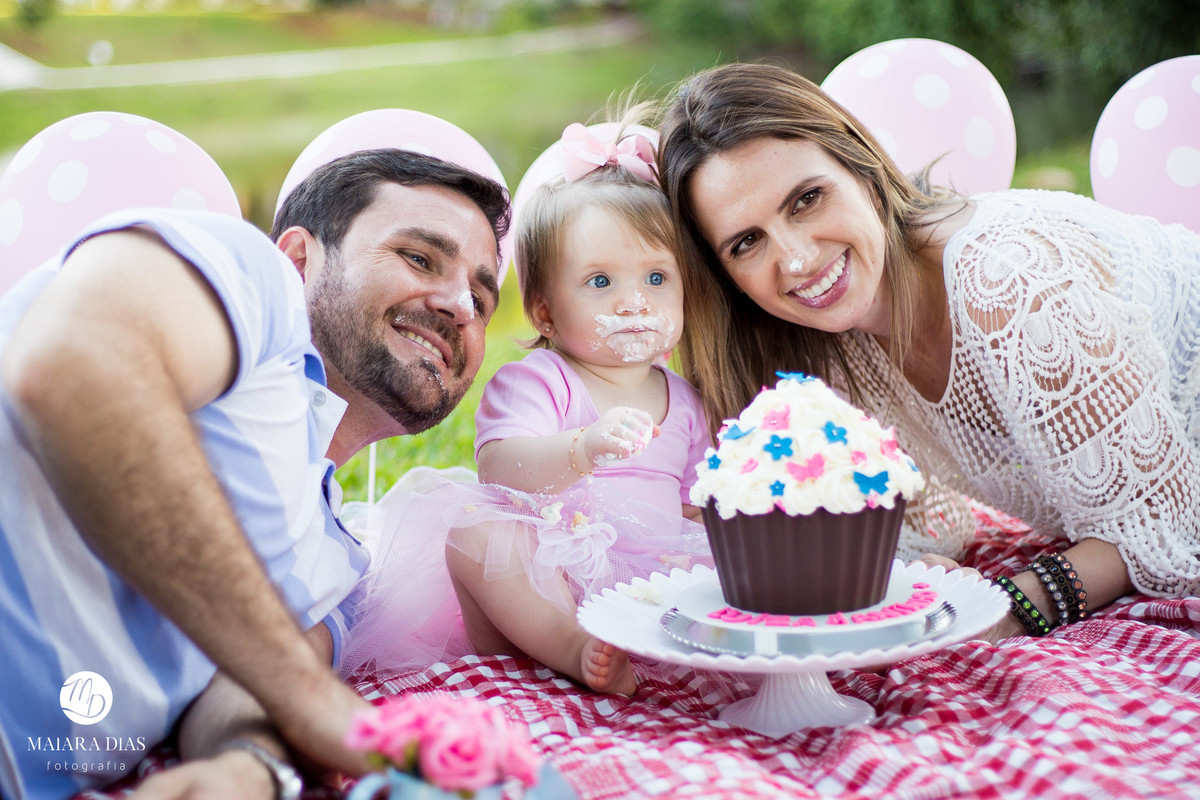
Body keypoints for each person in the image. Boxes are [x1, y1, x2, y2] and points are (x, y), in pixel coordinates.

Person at [0, 148, 509, 800]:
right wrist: (306, 695)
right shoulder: (247, 275)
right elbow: (74, 367)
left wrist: (250, 766)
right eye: (419, 258)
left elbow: (249, 683)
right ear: (299, 258)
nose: (459, 305)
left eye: (483, 297)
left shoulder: (340, 568)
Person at [655, 61, 1200, 643]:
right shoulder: (830, 344)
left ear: (860, 165)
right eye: (746, 242)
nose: (794, 258)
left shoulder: (1011, 282)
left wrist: (1010, 605)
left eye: (807, 199)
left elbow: (1170, 527)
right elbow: (917, 521)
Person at [338, 122, 712, 698]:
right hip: (549, 585)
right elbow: (500, 470)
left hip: (649, 587)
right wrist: (581, 449)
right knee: (478, 532)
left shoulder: (685, 401)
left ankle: (641, 648)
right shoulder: (541, 380)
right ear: (544, 312)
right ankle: (573, 649)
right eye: (601, 280)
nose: (634, 300)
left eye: (657, 278)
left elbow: (691, 507)